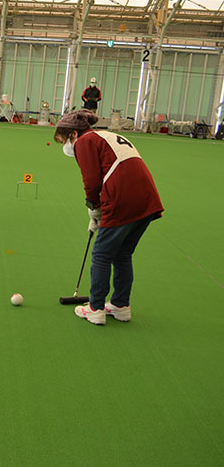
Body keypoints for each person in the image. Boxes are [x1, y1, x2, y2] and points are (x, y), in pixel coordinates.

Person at [53, 109, 163, 326]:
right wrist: (98, 212)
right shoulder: (105, 135)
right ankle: (121, 305)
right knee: (123, 254)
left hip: (123, 197)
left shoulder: (85, 141)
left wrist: (93, 207)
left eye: (64, 140)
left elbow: (92, 181)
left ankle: (95, 309)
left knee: (102, 254)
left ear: (74, 134)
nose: (65, 146)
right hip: (146, 198)